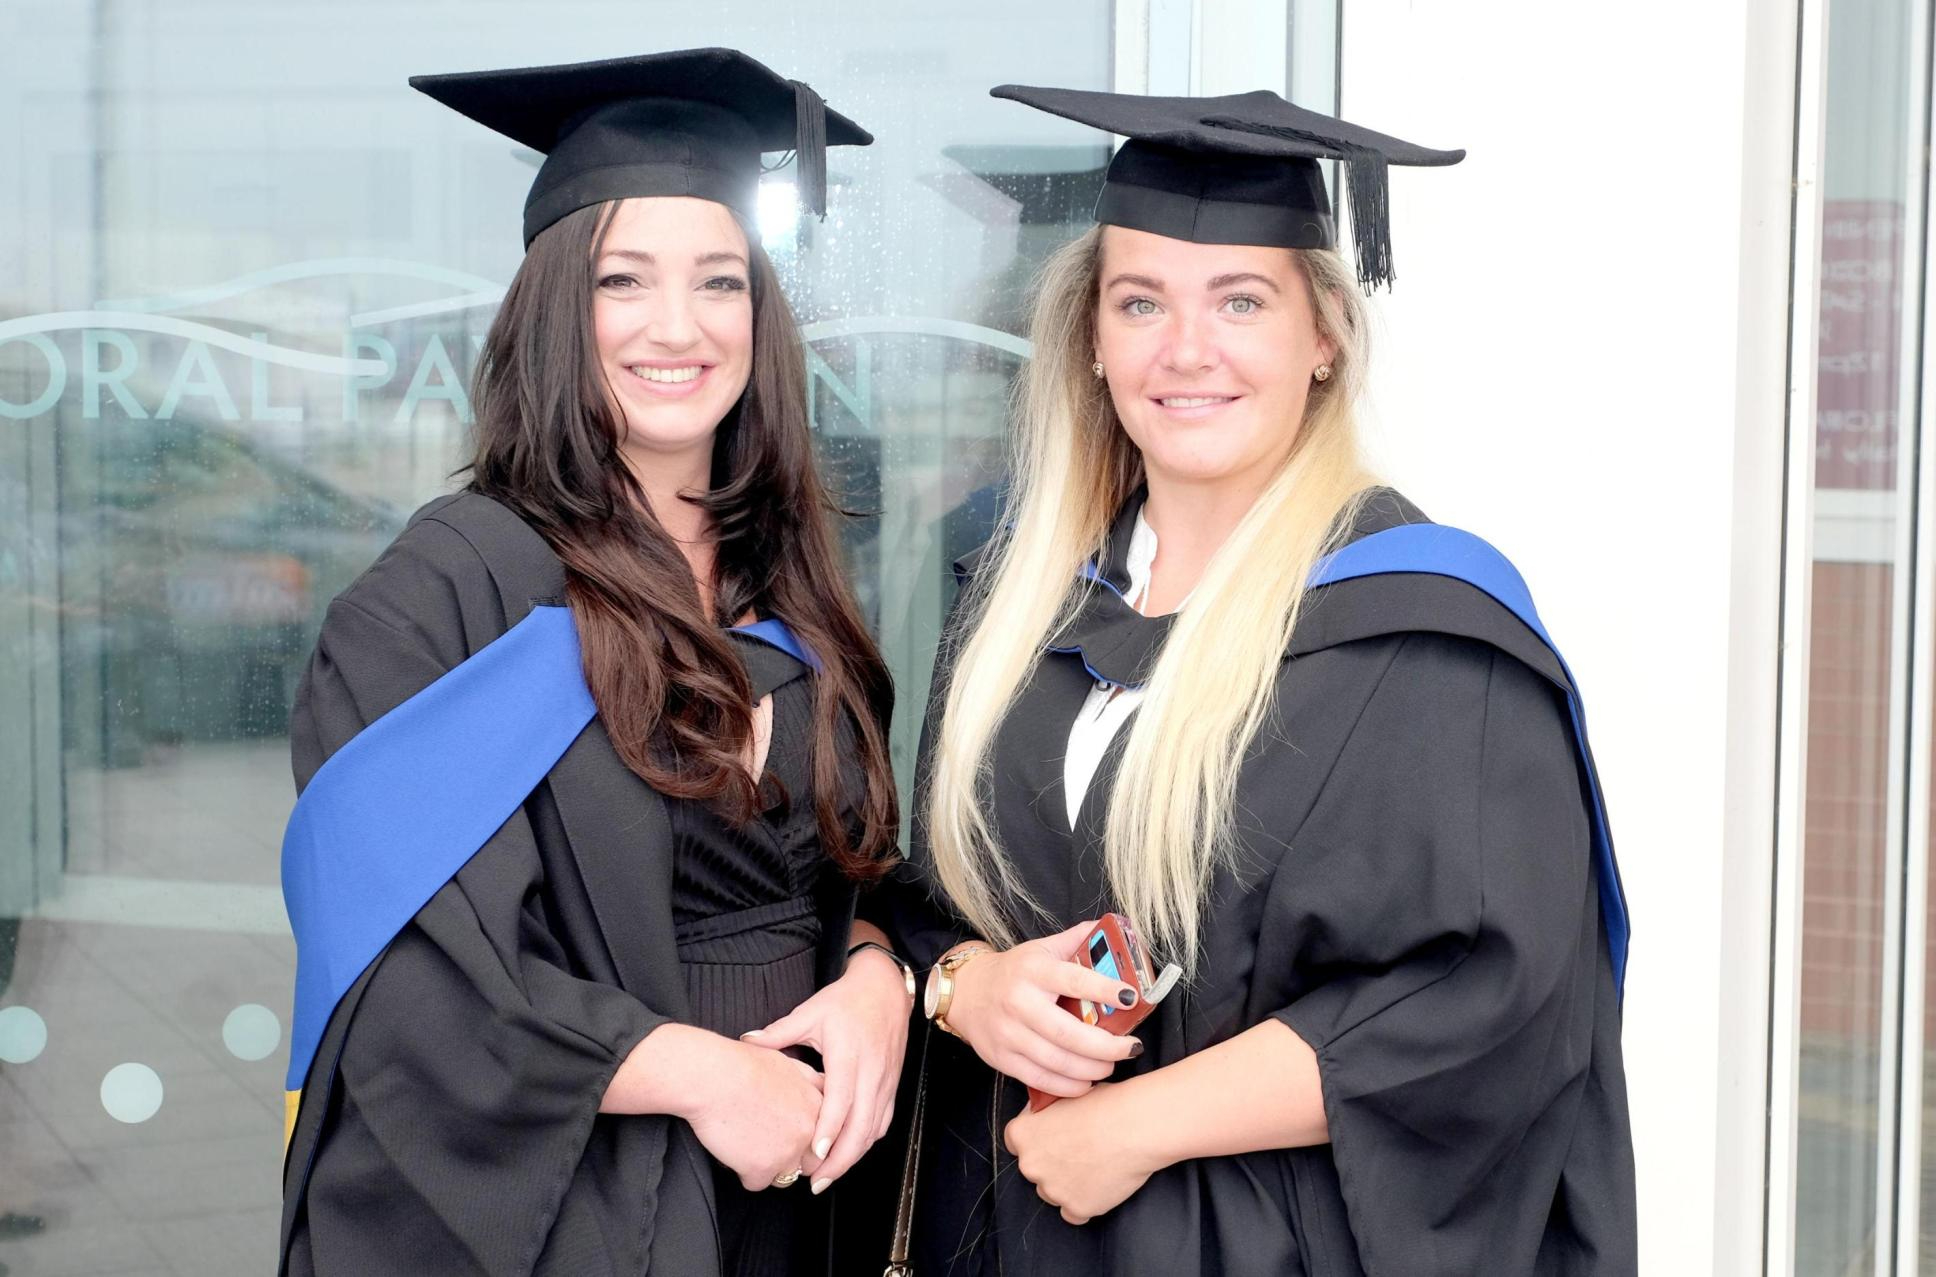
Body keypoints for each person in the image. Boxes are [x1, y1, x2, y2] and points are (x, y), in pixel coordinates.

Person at [884, 85, 1638, 1275]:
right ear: (1091, 334)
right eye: (1141, 303)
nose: (1187, 351)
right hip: (1005, 1228)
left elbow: (1494, 998)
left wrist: (1138, 1123)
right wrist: (968, 987)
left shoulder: (1423, 630)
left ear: (1323, 336)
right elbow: (918, 890)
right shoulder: (1013, 608)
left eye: (1241, 300)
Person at [278, 49, 916, 1276]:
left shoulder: (787, 583)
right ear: (553, 308)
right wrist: (698, 1073)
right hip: (587, 1214)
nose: (676, 327)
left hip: (800, 1198)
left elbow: (861, 866)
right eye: (622, 279)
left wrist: (880, 976)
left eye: (718, 282)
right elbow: (405, 974)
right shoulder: (446, 595)